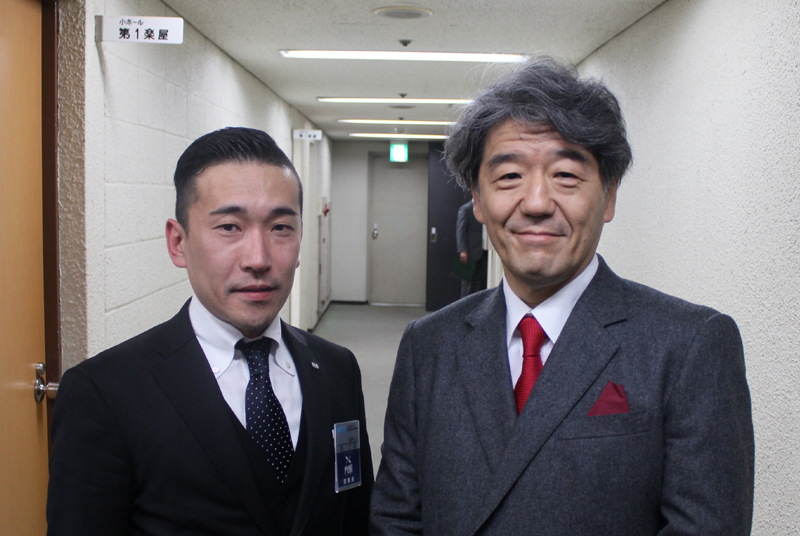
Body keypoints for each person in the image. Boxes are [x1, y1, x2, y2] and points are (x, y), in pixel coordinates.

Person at [370, 57, 754, 535]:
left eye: (566, 175)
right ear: (478, 200)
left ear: (609, 196)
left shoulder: (690, 345)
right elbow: (396, 518)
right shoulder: (428, 345)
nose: (536, 203)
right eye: (509, 177)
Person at [47, 127, 373, 536]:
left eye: (280, 228)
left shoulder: (337, 368)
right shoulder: (105, 393)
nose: (258, 258)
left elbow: (355, 516)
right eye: (230, 227)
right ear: (178, 242)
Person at [455, 199, 487, 297]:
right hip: (469, 251)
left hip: (485, 250)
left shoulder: (486, 208)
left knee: (482, 282)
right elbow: (460, 230)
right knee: (467, 283)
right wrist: (462, 250)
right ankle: (465, 305)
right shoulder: (466, 209)